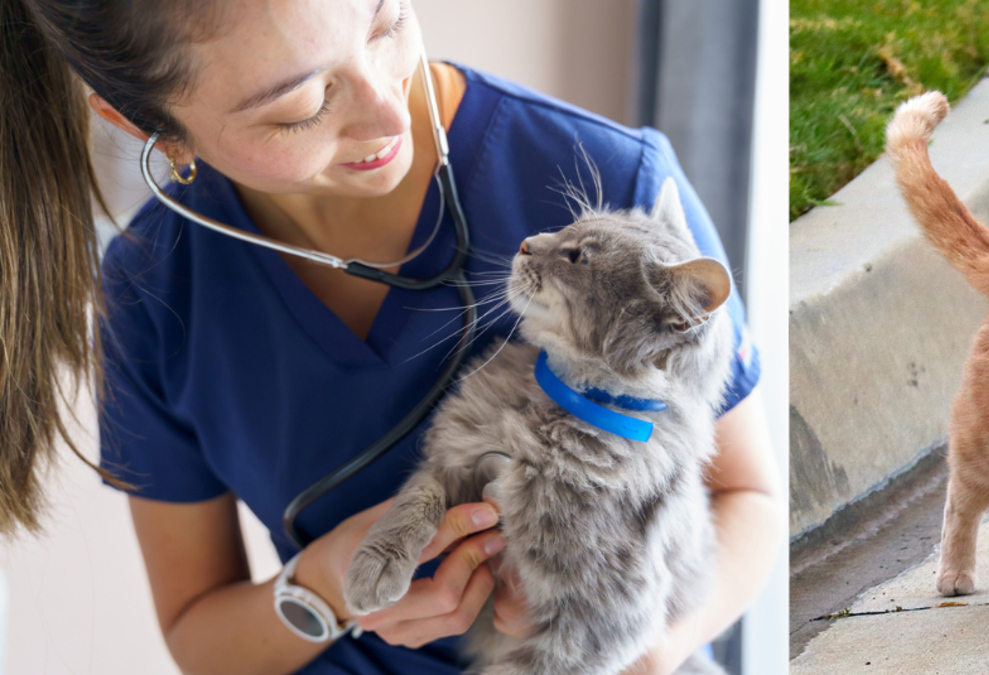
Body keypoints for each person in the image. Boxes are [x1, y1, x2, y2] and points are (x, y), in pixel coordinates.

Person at [1, 0, 784, 673]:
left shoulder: (619, 188)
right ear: (148, 123)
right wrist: (321, 587)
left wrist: (632, 653)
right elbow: (200, 635)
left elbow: (747, 497)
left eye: (384, 19)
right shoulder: (152, 293)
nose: (387, 109)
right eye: (301, 102)